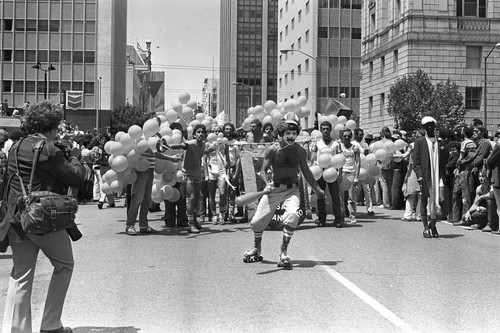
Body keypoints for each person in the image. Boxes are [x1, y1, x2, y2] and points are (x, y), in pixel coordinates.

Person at [0, 101, 85, 333]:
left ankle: (16, 329)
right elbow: (76, 178)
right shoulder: (49, 149)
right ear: (51, 126)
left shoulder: (15, 146)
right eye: (57, 127)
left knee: (21, 274)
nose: (58, 131)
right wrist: (76, 157)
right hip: (43, 218)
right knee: (64, 265)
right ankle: (50, 324)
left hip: (17, 218)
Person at [243, 115, 325, 269]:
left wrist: (317, 188)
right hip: (274, 189)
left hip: (291, 190)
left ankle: (283, 251)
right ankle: (256, 248)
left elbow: (306, 172)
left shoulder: (300, 151)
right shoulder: (272, 150)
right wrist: (267, 184)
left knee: (293, 215)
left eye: (294, 133)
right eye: (288, 133)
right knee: (256, 222)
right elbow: (262, 171)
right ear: (281, 133)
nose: (291, 136)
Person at [125, 120, 183, 236]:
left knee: (147, 199)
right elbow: (152, 153)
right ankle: (130, 225)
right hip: (141, 171)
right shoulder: (142, 138)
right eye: (155, 125)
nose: (156, 127)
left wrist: (171, 157)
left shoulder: (155, 138)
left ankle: (144, 225)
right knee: (137, 199)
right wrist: (171, 158)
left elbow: (158, 151)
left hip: (150, 170)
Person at [168, 124, 207, 234]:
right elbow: (181, 146)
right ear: (194, 134)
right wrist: (169, 146)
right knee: (191, 197)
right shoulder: (191, 143)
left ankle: (194, 219)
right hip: (188, 173)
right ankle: (190, 224)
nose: (201, 134)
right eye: (198, 132)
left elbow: (199, 155)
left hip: (197, 173)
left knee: (198, 197)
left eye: (202, 132)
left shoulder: (203, 144)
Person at [413, 116, 446, 238]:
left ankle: (433, 224)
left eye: (431, 125)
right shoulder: (419, 142)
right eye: (427, 126)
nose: (430, 127)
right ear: (424, 128)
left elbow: (444, 160)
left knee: (440, 199)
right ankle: (426, 227)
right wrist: (419, 176)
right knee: (425, 201)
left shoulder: (440, 142)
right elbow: (416, 161)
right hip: (425, 176)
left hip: (438, 175)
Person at [310, 121, 344, 227]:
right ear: (321, 130)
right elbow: (312, 159)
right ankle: (321, 219)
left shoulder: (336, 144)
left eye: (327, 129)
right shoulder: (316, 144)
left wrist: (340, 174)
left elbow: (340, 159)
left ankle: (338, 219)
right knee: (321, 196)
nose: (325, 131)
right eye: (323, 129)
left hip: (332, 172)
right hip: (320, 172)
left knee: (335, 197)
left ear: (330, 130)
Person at [340, 128, 361, 223]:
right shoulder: (339, 147)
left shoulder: (355, 148)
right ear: (341, 137)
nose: (347, 137)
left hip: (351, 173)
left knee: (351, 197)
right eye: (345, 136)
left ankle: (352, 216)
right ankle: (342, 215)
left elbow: (358, 162)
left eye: (349, 136)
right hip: (341, 173)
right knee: (341, 196)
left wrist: (357, 176)